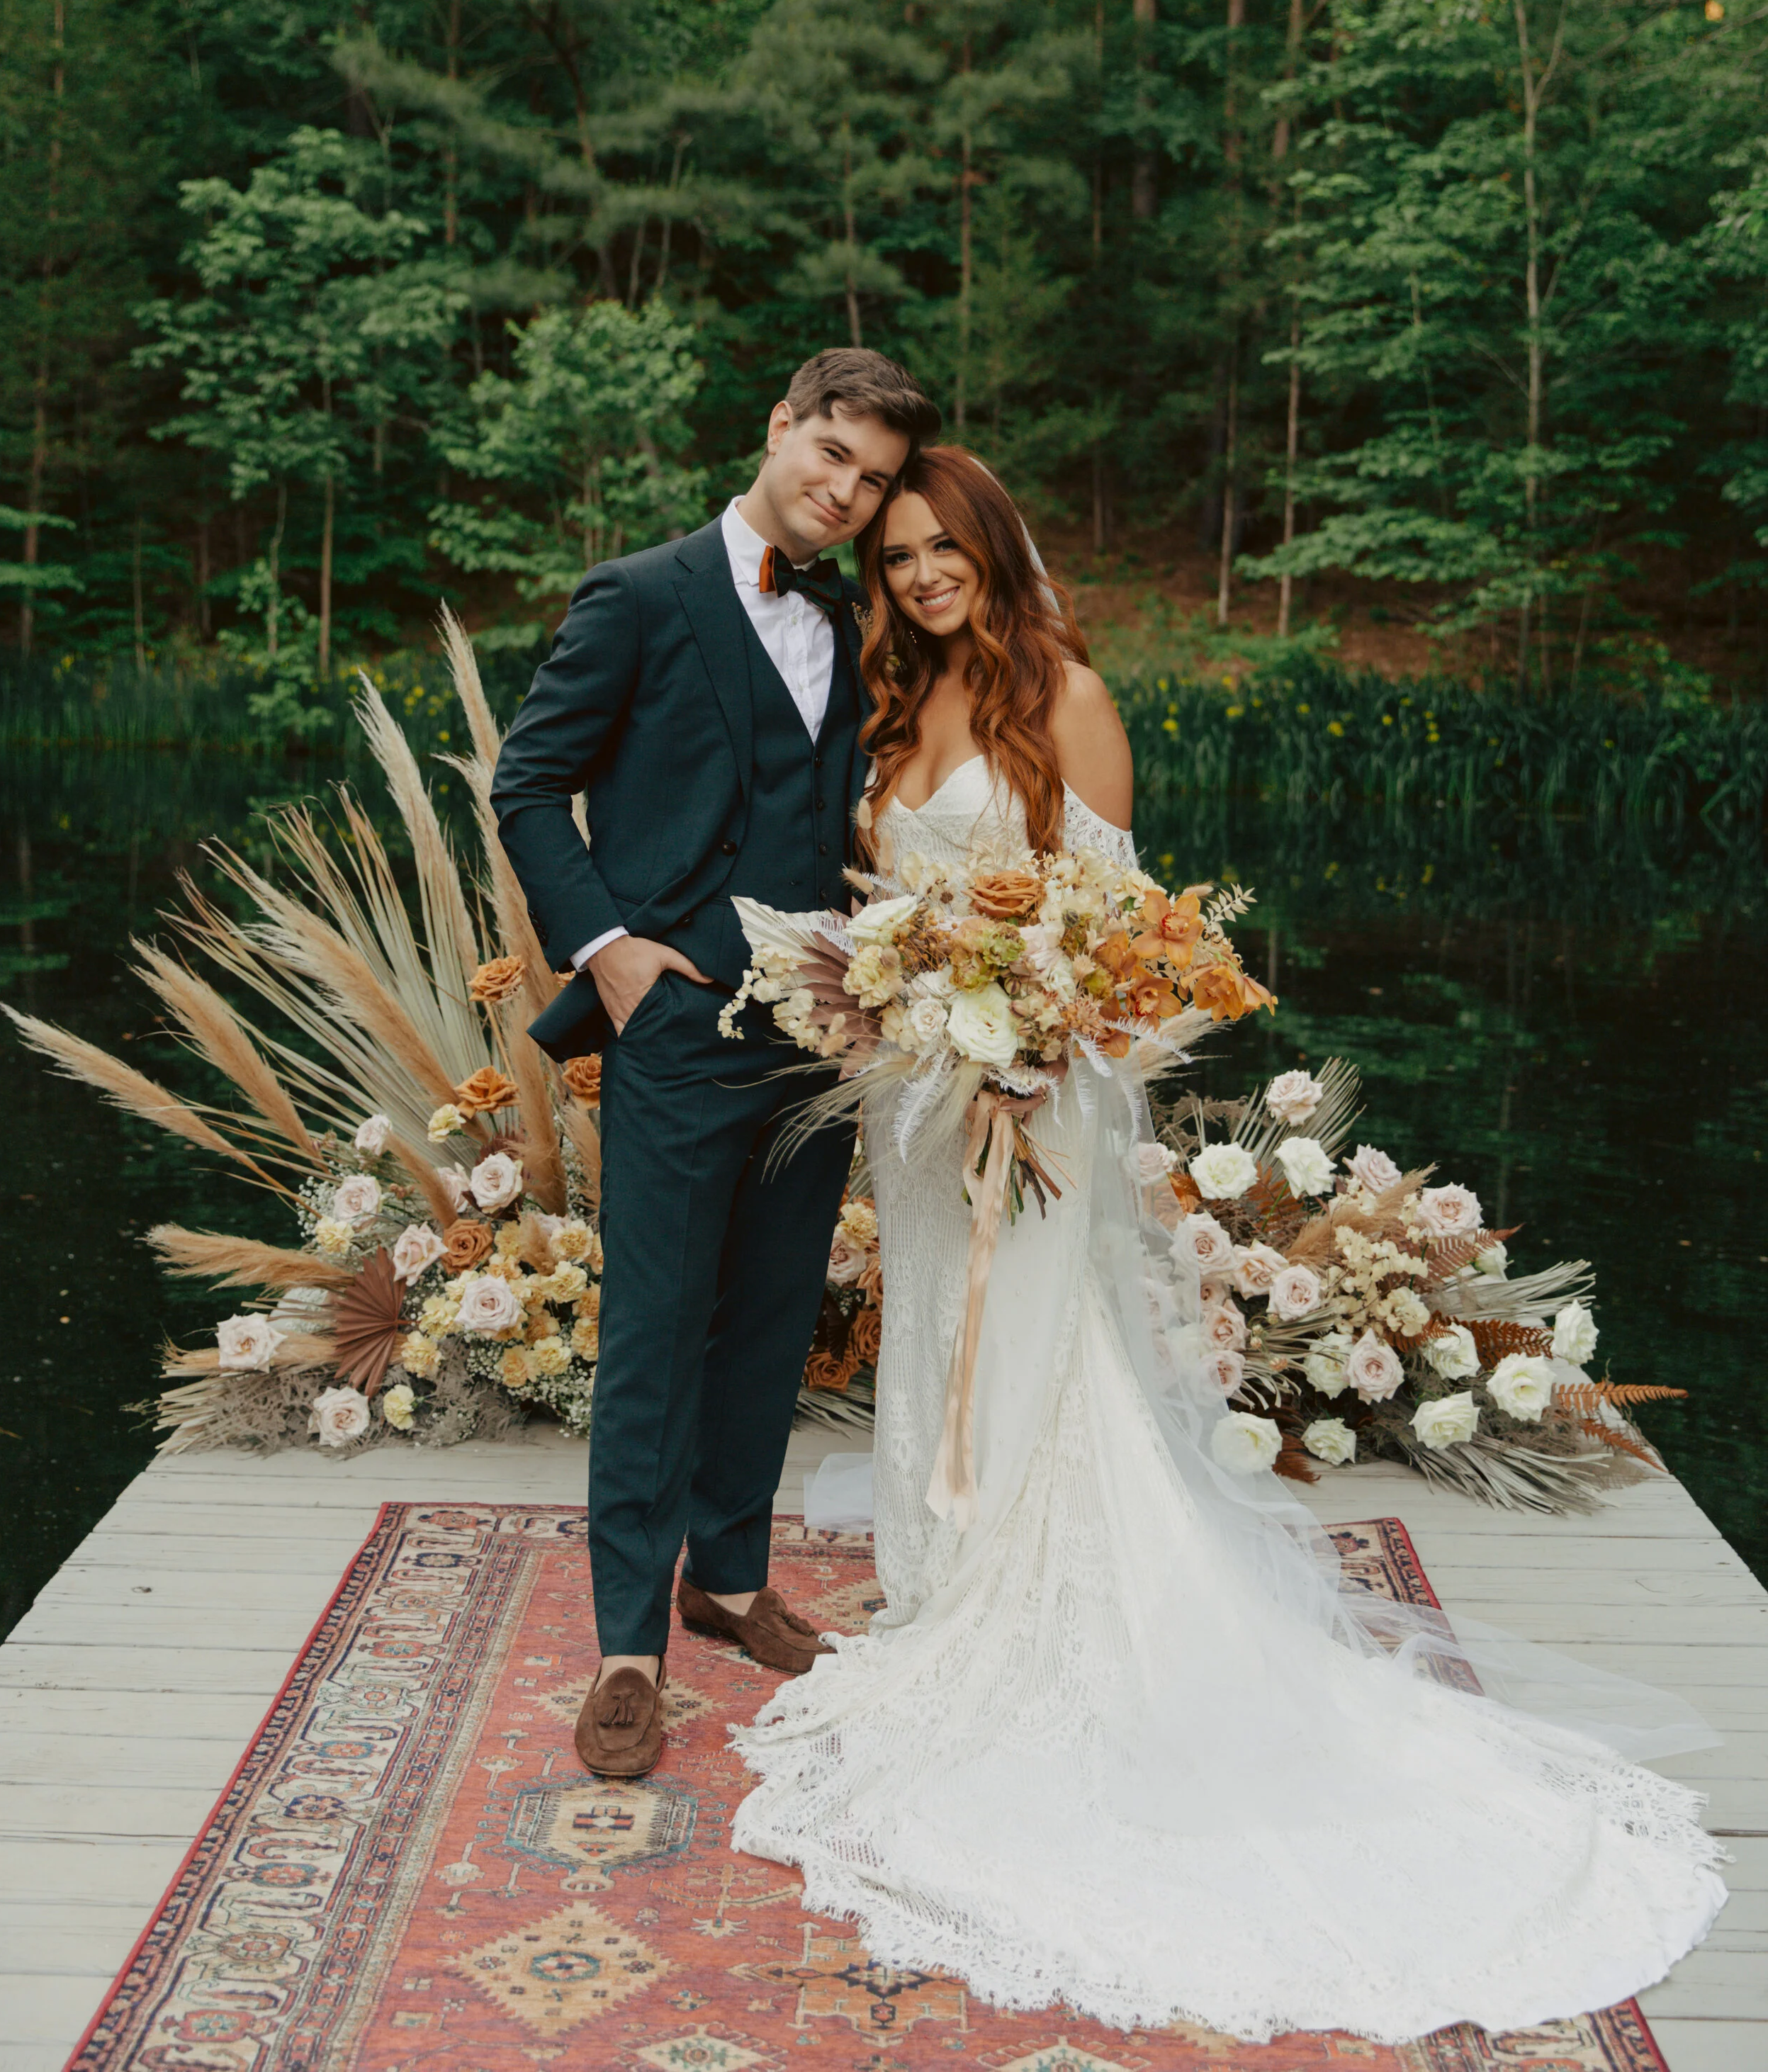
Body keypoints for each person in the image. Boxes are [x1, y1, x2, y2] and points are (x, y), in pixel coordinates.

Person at [729, 441, 1726, 2044]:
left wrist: (1035, 1050)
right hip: (917, 1108)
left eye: (937, 547)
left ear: (989, 542)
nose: (915, 574)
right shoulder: (888, 705)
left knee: (1045, 1368)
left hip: (1033, 1108)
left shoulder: (1068, 700)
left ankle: (1032, 1619)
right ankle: (943, 1591)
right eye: (894, 554)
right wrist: (901, 1007)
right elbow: (874, 906)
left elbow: (1132, 951)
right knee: (933, 1335)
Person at [490, 347, 940, 1781]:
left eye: (869, 480)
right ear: (779, 428)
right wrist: (606, 949)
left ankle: (727, 1581)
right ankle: (630, 1645)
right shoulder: (641, 595)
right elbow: (526, 782)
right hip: (675, 1026)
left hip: (814, 1036)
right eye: (829, 454)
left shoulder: (850, 619)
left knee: (769, 1322)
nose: (842, 490)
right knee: (654, 1336)